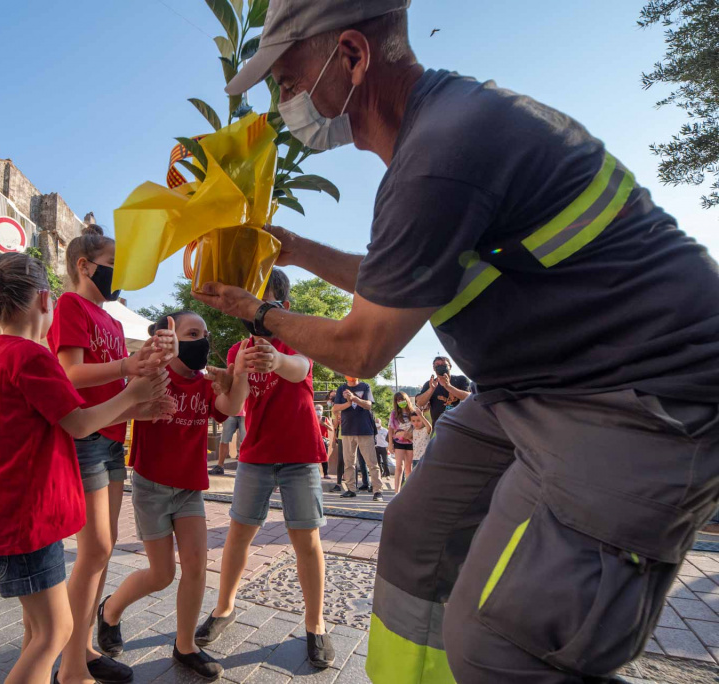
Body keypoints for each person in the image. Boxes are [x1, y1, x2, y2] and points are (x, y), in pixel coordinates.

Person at [193, 1, 719, 681]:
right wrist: (294, 249)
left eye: (289, 82)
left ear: (353, 56)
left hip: (642, 397)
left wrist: (254, 311)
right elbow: (404, 277)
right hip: (534, 388)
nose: (284, 104)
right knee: (418, 537)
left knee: (508, 645)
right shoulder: (442, 134)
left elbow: (363, 347)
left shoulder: (438, 154)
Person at [0, 252, 173, 684]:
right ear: (47, 300)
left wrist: (136, 408)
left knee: (37, 630)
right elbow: (79, 423)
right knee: (55, 632)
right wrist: (133, 394)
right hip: (26, 520)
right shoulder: (32, 356)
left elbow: (67, 414)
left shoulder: (8, 352)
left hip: (20, 516)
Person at [49, 224, 175, 684]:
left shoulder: (115, 320)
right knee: (97, 547)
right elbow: (69, 373)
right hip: (85, 438)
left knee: (100, 554)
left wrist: (147, 403)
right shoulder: (70, 305)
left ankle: (82, 648)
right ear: (84, 266)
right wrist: (127, 366)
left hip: (111, 439)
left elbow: (116, 388)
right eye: (113, 264)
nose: (120, 273)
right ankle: (72, 663)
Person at [194, 269, 335, 669]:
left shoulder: (298, 338)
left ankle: (316, 623)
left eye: (262, 301)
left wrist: (275, 360)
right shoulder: (238, 350)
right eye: (247, 300)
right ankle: (224, 607)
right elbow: (236, 405)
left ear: (283, 307)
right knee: (239, 534)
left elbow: (301, 369)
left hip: (300, 454)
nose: (252, 309)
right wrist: (230, 378)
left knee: (306, 539)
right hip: (255, 454)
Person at [98, 312, 247, 681]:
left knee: (196, 567)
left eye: (205, 334)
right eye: (192, 333)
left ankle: (185, 646)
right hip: (151, 487)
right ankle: (110, 611)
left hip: (189, 489)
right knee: (162, 574)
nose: (203, 340)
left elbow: (231, 407)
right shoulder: (152, 375)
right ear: (170, 337)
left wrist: (237, 376)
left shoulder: (205, 382)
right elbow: (125, 403)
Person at [333, 376, 381, 500]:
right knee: (349, 462)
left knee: (372, 462)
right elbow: (335, 408)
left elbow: (368, 405)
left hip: (364, 430)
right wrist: (348, 402)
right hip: (347, 430)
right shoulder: (341, 388)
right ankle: (350, 489)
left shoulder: (365, 387)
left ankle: (377, 491)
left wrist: (354, 398)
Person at [415, 356, 470, 426]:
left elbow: (469, 397)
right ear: (433, 368)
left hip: (460, 426)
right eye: (437, 365)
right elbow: (420, 403)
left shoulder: (461, 380)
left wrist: (448, 386)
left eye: (443, 364)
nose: (440, 366)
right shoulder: (430, 384)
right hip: (439, 428)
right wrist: (431, 389)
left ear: (450, 366)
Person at [388, 392, 414, 493]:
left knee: (408, 467)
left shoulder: (413, 412)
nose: (400, 402)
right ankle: (396, 492)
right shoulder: (394, 413)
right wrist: (390, 443)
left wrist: (410, 435)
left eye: (402, 399)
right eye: (398, 400)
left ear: (406, 399)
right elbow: (390, 429)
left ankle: (409, 492)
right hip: (398, 442)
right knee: (399, 466)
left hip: (410, 442)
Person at [316, 404, 333, 478]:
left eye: (320, 409)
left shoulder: (325, 418)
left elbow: (331, 429)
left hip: (324, 440)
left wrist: (325, 424)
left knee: (324, 457)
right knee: (315, 457)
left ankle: (325, 473)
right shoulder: (312, 418)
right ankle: (317, 474)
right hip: (315, 440)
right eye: (317, 409)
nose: (318, 411)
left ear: (322, 411)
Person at [373, 416, 390, 480]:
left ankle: (387, 474)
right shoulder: (374, 430)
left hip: (384, 447)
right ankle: (380, 474)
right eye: (376, 422)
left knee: (385, 462)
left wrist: (388, 447)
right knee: (378, 462)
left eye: (378, 422)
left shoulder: (385, 430)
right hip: (376, 447)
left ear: (381, 423)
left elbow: (388, 439)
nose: (376, 423)